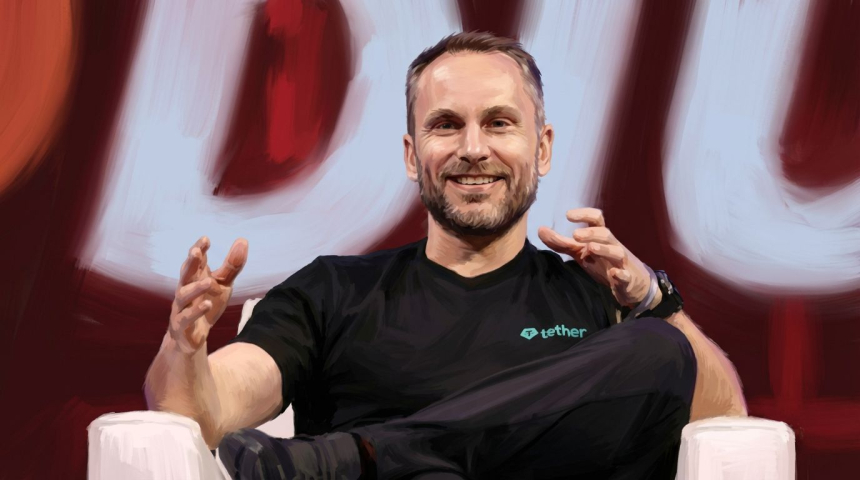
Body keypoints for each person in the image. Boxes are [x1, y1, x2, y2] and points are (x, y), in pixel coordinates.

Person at [144, 31, 747, 479]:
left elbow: (726, 420)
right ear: (413, 156)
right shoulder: (333, 292)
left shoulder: (598, 297)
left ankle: (365, 458)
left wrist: (653, 301)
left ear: (542, 149)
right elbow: (205, 408)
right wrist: (183, 349)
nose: (474, 148)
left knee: (659, 347)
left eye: (500, 123)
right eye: (447, 125)